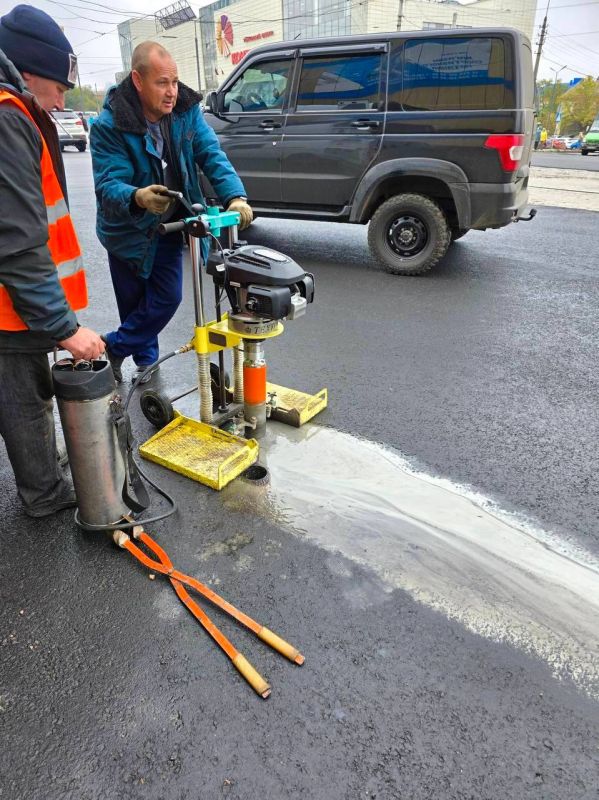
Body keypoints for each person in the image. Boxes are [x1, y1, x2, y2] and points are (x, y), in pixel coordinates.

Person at [90, 41, 252, 384]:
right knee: (134, 304)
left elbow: (210, 153)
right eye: (162, 83)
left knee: (166, 297)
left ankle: (113, 347)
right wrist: (138, 196)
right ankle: (147, 367)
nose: (172, 92)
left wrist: (235, 196)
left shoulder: (186, 112)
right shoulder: (109, 125)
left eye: (175, 82)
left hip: (169, 225)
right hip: (126, 230)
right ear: (138, 80)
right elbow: (108, 184)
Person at [0, 4, 104, 517]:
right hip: (5, 310)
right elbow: (17, 244)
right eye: (60, 87)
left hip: (15, 305)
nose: (63, 99)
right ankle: (44, 494)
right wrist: (64, 328)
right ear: (29, 71)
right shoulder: (6, 117)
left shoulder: (15, 113)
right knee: (24, 397)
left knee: (26, 391)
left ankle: (43, 478)